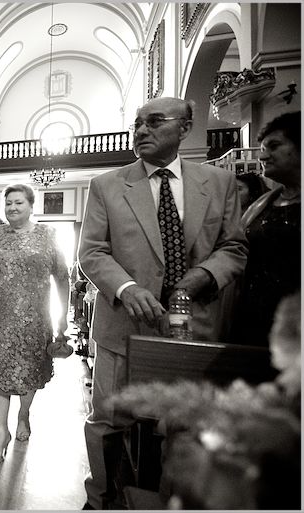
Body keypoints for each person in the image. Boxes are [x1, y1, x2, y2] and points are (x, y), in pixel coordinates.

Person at [78, 96, 247, 509]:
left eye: (154, 122)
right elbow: (93, 252)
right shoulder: (108, 186)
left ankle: (173, 502)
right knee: (108, 422)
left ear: (184, 128)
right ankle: (100, 498)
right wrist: (127, 288)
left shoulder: (217, 183)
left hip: (193, 327)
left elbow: (234, 248)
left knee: (184, 426)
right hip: (124, 328)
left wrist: (205, 274)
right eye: (137, 123)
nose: (141, 131)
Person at [0, 184, 69, 465]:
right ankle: (0, 433)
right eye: (8, 203)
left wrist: (62, 319)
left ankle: (24, 414)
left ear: (31, 205)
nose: (12, 208)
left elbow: (62, 278)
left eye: (18, 203)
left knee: (28, 374)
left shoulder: (47, 236)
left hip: (34, 322)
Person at [233, 111, 301, 348]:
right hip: (254, 317)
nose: (263, 155)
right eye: (263, 148)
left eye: (274, 146)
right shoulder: (264, 204)